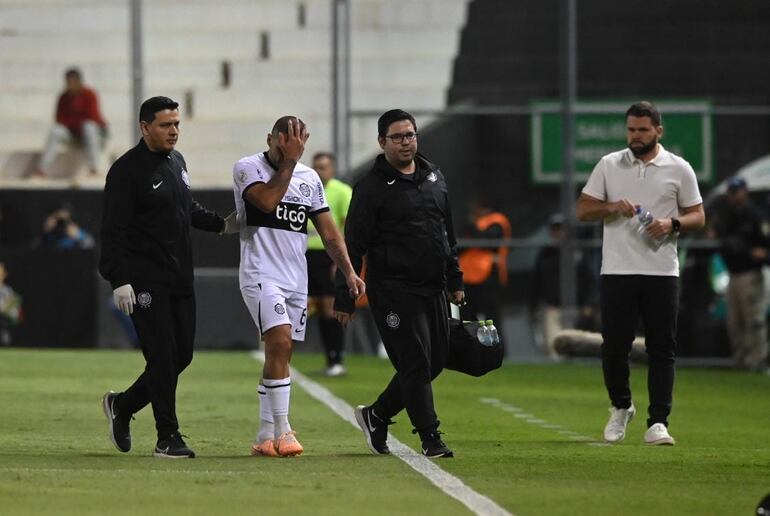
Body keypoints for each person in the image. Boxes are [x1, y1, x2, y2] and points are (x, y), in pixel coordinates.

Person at [99, 96, 237, 459]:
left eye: (176, 124)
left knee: (181, 358)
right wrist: (119, 279)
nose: (173, 131)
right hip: (145, 279)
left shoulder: (177, 162)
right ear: (145, 127)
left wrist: (221, 225)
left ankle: (123, 406)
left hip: (179, 276)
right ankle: (167, 437)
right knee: (162, 358)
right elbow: (112, 229)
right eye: (165, 125)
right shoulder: (126, 170)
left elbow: (186, 207)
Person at [334, 109, 465, 458]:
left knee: (435, 362)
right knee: (415, 363)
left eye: (411, 134)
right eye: (398, 136)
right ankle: (430, 437)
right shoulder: (372, 187)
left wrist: (455, 278)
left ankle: (376, 415)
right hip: (392, 289)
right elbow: (353, 244)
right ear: (382, 142)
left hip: (432, 287)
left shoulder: (434, 176)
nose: (406, 141)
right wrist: (345, 296)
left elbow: (446, 232)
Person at [233, 116, 364, 458]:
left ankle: (264, 435)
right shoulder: (247, 168)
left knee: (282, 352)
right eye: (282, 143)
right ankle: (284, 429)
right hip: (260, 272)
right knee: (279, 339)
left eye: (295, 145)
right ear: (270, 139)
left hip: (296, 276)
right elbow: (266, 202)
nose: (288, 150)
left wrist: (349, 272)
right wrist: (290, 161)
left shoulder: (310, 180)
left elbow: (329, 232)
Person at [576, 101, 705, 446]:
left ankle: (658, 422)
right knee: (614, 347)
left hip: (662, 272)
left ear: (658, 131)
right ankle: (621, 407)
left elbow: (698, 215)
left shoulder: (679, 168)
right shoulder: (609, 165)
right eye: (631, 129)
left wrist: (671, 223)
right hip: (617, 270)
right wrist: (610, 207)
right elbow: (583, 209)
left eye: (643, 130)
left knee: (662, 348)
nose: (635, 136)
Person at [710, 176, 770, 373]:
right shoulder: (728, 214)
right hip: (733, 274)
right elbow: (715, 233)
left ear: (745, 192)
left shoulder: (755, 215)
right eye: (731, 193)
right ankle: (742, 361)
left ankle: (758, 362)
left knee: (754, 320)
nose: (733, 196)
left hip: (750, 273)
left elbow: (766, 245)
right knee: (735, 322)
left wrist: (762, 253)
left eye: (736, 192)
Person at [305, 152, 353, 376]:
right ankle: (329, 359)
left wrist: (341, 260)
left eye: (324, 167)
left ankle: (336, 357)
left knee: (329, 307)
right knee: (310, 305)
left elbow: (348, 227)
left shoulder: (342, 192)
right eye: (316, 167)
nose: (319, 171)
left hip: (329, 256)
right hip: (305, 254)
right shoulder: (305, 188)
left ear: (332, 169)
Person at [529, 213, 596, 359]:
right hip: (552, 307)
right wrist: (534, 305)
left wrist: (589, 303)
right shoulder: (546, 253)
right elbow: (537, 281)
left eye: (561, 229)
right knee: (553, 348)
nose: (558, 232)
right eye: (555, 229)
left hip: (575, 307)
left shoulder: (578, 251)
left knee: (575, 349)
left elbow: (589, 279)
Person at [34, 68, 108, 178]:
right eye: (69, 82)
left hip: (92, 135)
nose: (71, 85)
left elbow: (93, 117)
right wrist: (75, 122)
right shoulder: (63, 97)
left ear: (79, 82)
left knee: (89, 127)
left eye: (73, 82)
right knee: (55, 131)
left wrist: (73, 122)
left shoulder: (89, 94)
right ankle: (42, 170)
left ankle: (94, 169)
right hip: (73, 134)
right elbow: (59, 119)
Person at [458, 197, 511, 348]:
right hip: (467, 276)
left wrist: (471, 230)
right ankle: (470, 348)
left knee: (491, 317)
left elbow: (488, 241)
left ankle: (497, 350)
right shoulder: (472, 224)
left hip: (489, 275)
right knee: (468, 317)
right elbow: (459, 246)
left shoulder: (496, 221)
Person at [0, 262, 22, 346]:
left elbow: (14, 310)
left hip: (4, 321)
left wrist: (6, 308)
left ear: (5, 274)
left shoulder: (8, 290)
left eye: (0, 271)